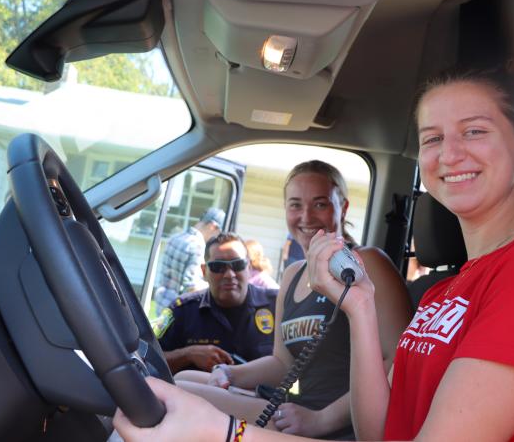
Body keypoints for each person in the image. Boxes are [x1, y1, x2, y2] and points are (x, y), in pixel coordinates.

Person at [113, 64, 514, 442]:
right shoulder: (445, 293)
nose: (450, 153)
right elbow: (378, 431)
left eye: (475, 131)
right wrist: (359, 306)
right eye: (433, 138)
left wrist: (224, 433)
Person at [170, 160, 412, 439]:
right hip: (294, 411)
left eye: (320, 204)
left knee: (180, 390)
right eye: (295, 205)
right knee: (184, 378)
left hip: (334, 424)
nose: (306, 217)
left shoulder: (367, 263)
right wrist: (230, 374)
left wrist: (321, 420)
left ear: (343, 207)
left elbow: (399, 360)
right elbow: (282, 363)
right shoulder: (293, 274)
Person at [158, 232, 278, 374]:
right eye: (218, 266)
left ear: (249, 267)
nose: (229, 274)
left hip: (260, 396)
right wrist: (187, 354)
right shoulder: (181, 311)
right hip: (198, 394)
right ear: (204, 271)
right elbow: (149, 359)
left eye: (237, 264)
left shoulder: (277, 305)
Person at [153, 207, 225, 316]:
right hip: (176, 311)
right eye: (219, 233)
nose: (217, 238)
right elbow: (191, 286)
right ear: (212, 226)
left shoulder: (175, 237)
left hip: (161, 303)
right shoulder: (198, 246)